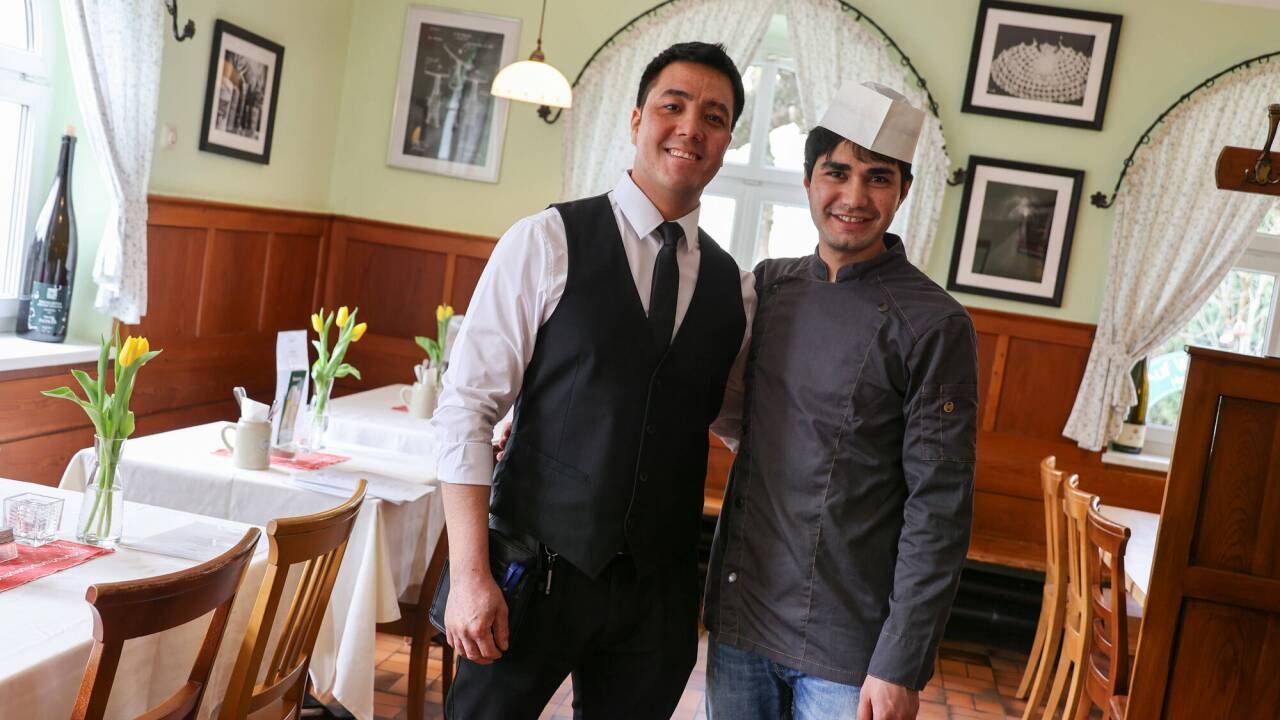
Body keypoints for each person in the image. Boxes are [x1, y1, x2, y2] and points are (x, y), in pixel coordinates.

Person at [429, 41, 756, 719]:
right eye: (674, 105)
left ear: (727, 142)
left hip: (656, 599)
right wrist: (469, 576)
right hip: (531, 574)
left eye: (715, 116)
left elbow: (736, 423)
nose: (692, 126)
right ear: (636, 120)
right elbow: (465, 408)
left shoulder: (736, 290)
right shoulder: (545, 241)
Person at [703, 81, 979, 720]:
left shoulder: (935, 324)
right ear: (807, 180)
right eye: (837, 173)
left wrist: (899, 662)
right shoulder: (769, 287)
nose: (855, 198)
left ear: (904, 191)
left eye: (878, 179)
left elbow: (939, 508)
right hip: (742, 617)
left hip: (850, 647)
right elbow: (685, 382)